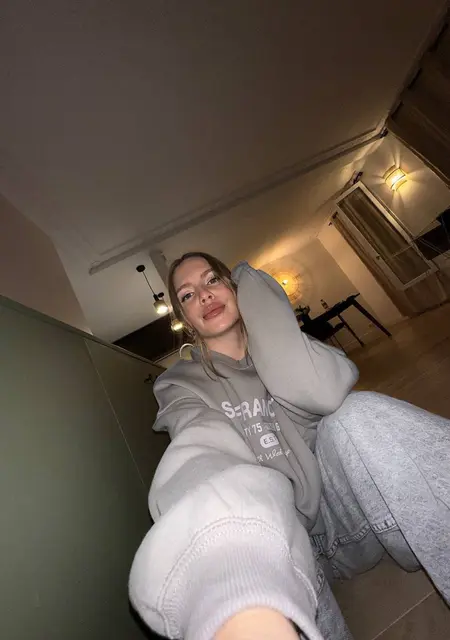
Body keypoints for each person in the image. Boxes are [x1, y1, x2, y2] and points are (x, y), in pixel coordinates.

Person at [129, 252, 450, 640]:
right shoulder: (179, 384)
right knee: (266, 555)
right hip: (282, 546)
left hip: (343, 518)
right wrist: (221, 551)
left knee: (357, 413)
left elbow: (328, 392)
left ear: (234, 286)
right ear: (184, 318)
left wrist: (255, 290)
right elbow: (199, 444)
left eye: (212, 280)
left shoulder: (281, 342)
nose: (204, 295)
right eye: (187, 294)